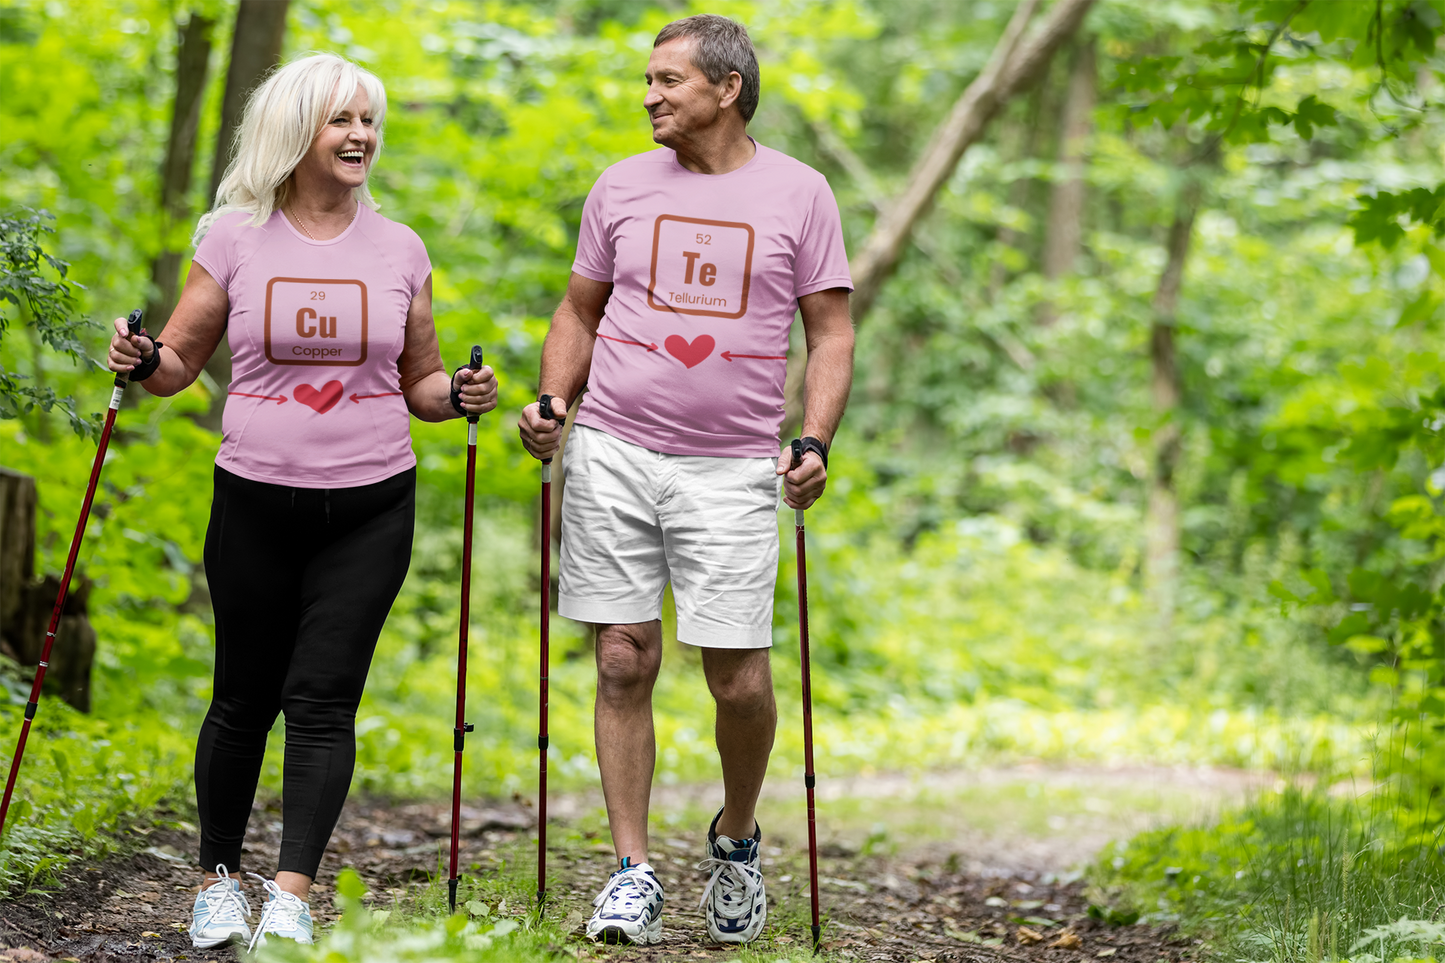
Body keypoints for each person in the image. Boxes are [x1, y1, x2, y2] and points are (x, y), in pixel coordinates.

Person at [107, 53, 497, 950]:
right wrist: (138, 359)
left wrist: (462, 394)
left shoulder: (400, 247)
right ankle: (217, 879)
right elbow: (177, 365)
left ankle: (288, 891)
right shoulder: (236, 239)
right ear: (298, 131)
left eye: (368, 119)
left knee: (323, 697)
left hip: (369, 504)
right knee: (242, 696)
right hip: (253, 498)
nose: (361, 134)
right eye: (342, 119)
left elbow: (422, 383)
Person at [517, 14, 854, 947]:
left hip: (735, 464)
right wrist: (553, 399)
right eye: (648, 80)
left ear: (727, 88)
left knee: (738, 681)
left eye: (667, 80)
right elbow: (578, 309)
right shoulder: (620, 186)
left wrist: (815, 439)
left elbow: (830, 331)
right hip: (616, 449)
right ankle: (631, 871)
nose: (649, 95)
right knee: (623, 657)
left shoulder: (800, 192)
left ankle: (736, 841)